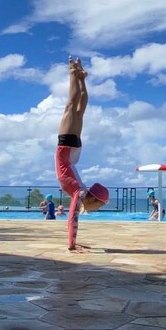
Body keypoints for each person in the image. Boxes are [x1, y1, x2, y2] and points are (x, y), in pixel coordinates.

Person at [55, 57, 110, 252]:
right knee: (72, 107)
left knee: (78, 112)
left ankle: (81, 77)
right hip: (67, 149)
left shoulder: (81, 192)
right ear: (94, 199)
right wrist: (71, 246)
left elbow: (74, 217)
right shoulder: (79, 193)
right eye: (101, 205)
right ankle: (73, 73)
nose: (99, 209)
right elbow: (72, 218)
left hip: (73, 150)